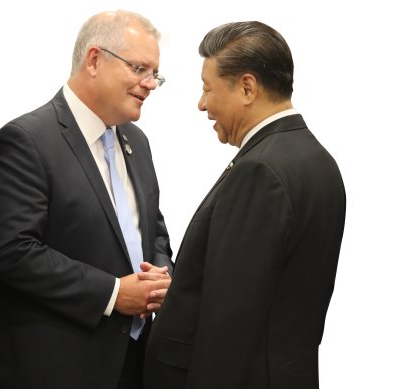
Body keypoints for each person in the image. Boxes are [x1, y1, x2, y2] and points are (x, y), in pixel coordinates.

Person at [0, 10, 173, 389]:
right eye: (139, 69)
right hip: (50, 368)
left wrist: (161, 277)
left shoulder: (138, 143)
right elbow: (11, 251)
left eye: (155, 75)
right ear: (95, 60)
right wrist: (114, 294)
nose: (149, 84)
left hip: (132, 366)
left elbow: (154, 232)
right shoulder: (26, 141)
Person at [144, 21, 346, 389]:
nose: (202, 104)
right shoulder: (318, 159)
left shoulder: (259, 170)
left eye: (207, 89)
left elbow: (229, 323)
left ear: (247, 87)